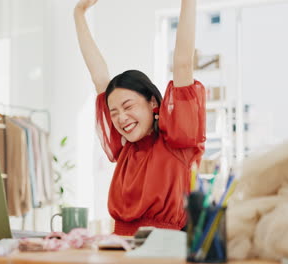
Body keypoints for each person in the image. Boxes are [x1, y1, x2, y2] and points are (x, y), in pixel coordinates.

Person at [74, 0, 206, 236]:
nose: (120, 118)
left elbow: (183, 63)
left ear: (153, 103)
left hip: (162, 253)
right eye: (113, 113)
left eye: (128, 106)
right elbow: (99, 77)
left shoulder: (178, 141)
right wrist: (79, 13)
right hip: (119, 249)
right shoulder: (126, 145)